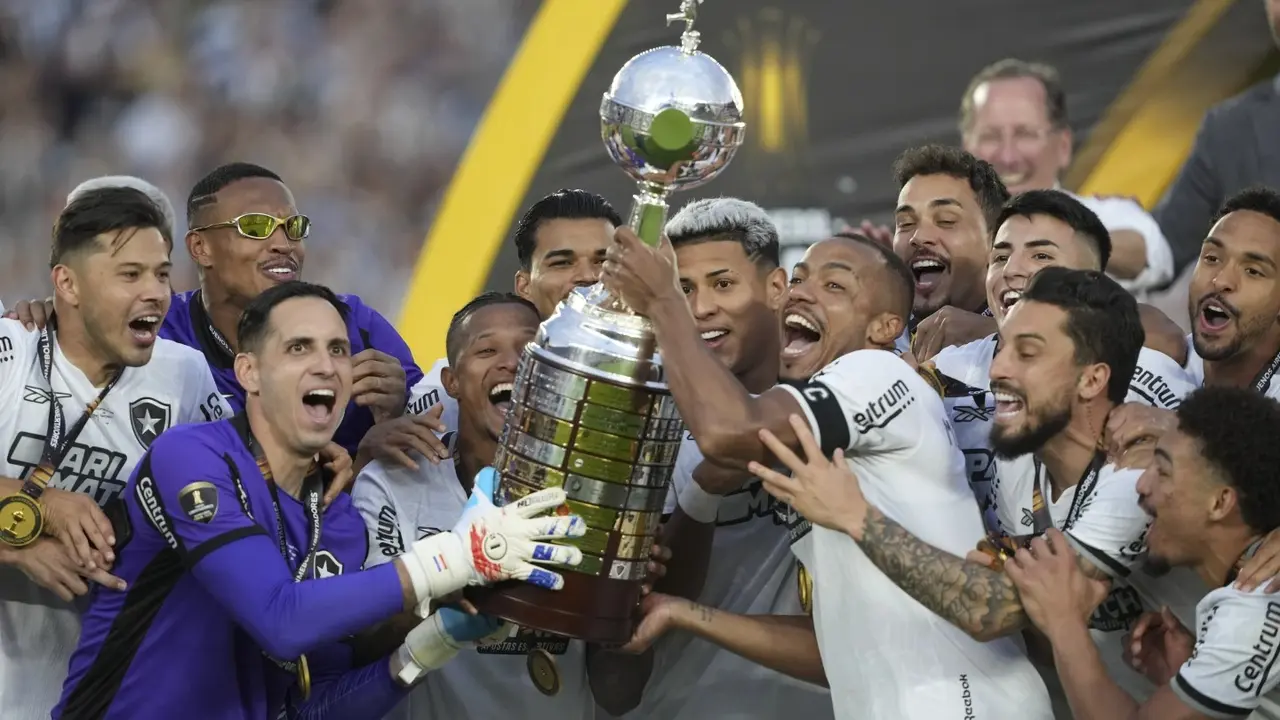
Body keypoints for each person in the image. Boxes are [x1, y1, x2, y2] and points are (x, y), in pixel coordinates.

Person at [54, 281, 587, 719]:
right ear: (248, 373)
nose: (327, 366)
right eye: (298, 348)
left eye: (338, 350)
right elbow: (280, 621)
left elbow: (315, 710)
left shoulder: (336, 519)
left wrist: (432, 642)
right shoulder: (192, 456)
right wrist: (456, 557)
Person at [605, 231, 1052, 719]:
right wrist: (684, 613)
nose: (801, 292)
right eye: (798, 279)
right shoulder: (836, 445)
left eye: (835, 287)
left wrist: (665, 300)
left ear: (885, 327)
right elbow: (836, 650)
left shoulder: (875, 372)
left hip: (965, 704)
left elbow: (728, 431)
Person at [764, 267, 1203, 703]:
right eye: (1003, 347)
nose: (998, 368)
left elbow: (992, 611)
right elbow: (1039, 630)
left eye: (1027, 354)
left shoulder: (1133, 477)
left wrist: (854, 516)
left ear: (1092, 379)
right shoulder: (1016, 469)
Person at [0, 187, 230, 720]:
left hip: (102, 698)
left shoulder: (184, 376)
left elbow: (242, 494)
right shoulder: (10, 354)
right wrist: (33, 523)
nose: (156, 292)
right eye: (130, 274)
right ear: (67, 283)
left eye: (162, 274)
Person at [623, 198, 830, 719]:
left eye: (722, 283)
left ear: (776, 288)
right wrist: (703, 492)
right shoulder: (641, 416)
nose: (701, 308)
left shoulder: (838, 399)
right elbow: (645, 604)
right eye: (683, 289)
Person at [1004, 386, 1280, 719]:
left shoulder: (1258, 603)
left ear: (1220, 503)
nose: (1141, 484)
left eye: (1162, 471)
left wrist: (1064, 622)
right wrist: (1183, 679)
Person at [929, 190, 1197, 530]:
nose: (1011, 270)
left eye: (1041, 255)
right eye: (999, 258)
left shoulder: (1149, 373)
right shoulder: (950, 371)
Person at [168, 162, 427, 457]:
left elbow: (442, 452)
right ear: (201, 247)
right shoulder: (159, 339)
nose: (284, 244)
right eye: (256, 226)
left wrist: (399, 410)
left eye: (294, 228)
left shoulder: (357, 328)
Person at [400, 188, 622, 445]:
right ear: (524, 286)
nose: (588, 276)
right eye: (562, 262)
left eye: (604, 261)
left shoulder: (665, 374)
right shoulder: (462, 384)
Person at [959, 58, 1174, 294]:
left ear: (1062, 146)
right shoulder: (937, 233)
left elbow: (1151, 256)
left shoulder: (1108, 214)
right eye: (990, 136)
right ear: (966, 148)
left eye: (1025, 134)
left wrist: (1059, 234)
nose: (1008, 157)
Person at [1107, 187, 1280, 458]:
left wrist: (1184, 430)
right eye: (1211, 258)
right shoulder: (1150, 353)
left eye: (1253, 271)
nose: (1221, 280)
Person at [889, 144, 1011, 359]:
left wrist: (995, 335)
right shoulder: (871, 342)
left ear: (994, 240)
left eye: (946, 220)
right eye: (905, 223)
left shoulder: (1046, 318)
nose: (918, 237)